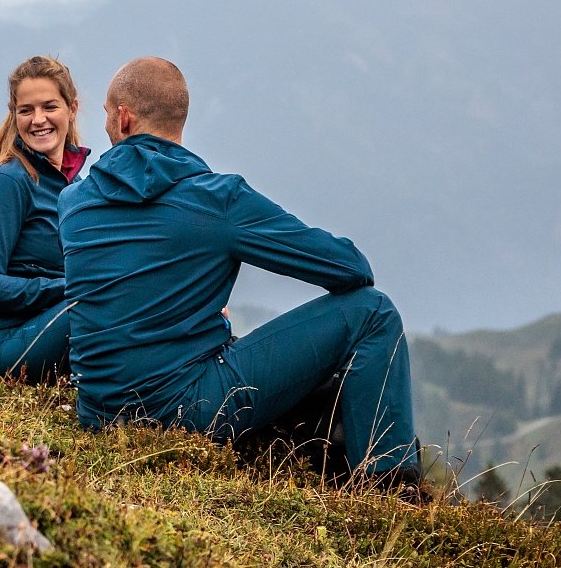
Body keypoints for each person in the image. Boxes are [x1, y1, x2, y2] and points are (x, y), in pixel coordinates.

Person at [58, 56, 424, 488]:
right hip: (185, 409)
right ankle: (389, 490)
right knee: (372, 312)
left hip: (99, 412)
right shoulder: (217, 200)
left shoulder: (73, 203)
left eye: (104, 113)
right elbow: (350, 269)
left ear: (123, 119)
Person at [0, 56, 91, 382]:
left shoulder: (75, 187)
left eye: (50, 107)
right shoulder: (4, 183)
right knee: (101, 301)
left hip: (53, 324)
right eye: (26, 110)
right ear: (14, 114)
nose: (38, 119)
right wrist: (69, 289)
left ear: (72, 109)